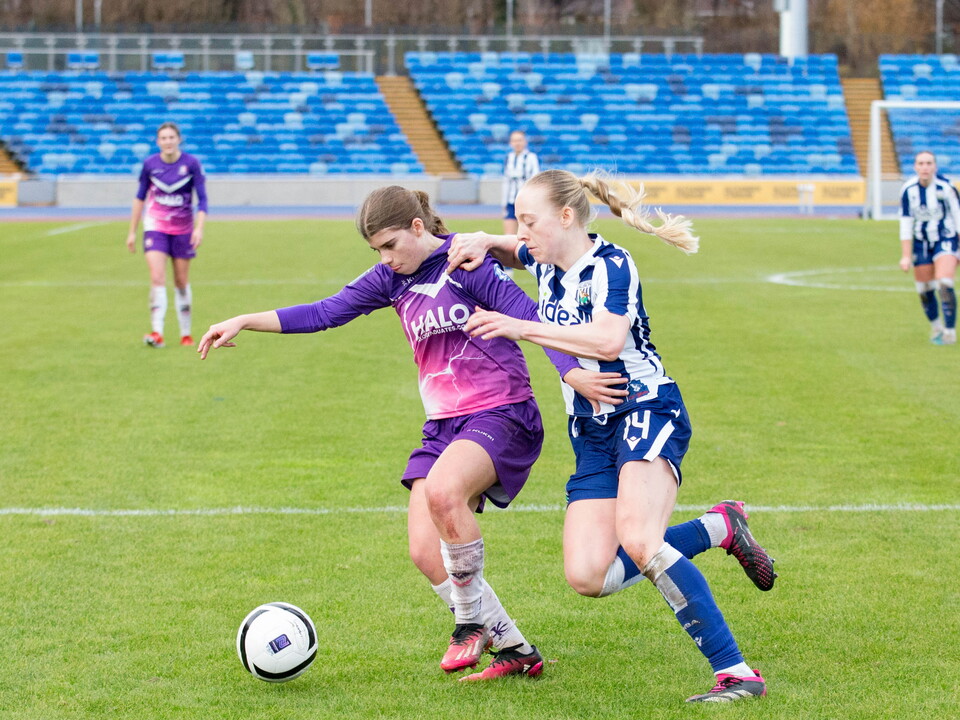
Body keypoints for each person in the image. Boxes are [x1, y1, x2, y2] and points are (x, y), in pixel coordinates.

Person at [198, 185, 612, 681]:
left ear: (418, 227)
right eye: (377, 250)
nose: (386, 258)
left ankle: (469, 624)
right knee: (424, 551)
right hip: (443, 426)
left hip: (503, 413)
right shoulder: (389, 279)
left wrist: (571, 372)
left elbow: (530, 318)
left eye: (391, 245)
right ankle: (515, 649)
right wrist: (245, 320)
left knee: (443, 493)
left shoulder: (466, 261)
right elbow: (324, 312)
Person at [448, 169, 774, 703]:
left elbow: (607, 340)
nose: (521, 231)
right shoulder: (544, 257)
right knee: (588, 575)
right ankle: (718, 527)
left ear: (566, 217)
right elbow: (514, 251)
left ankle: (737, 674)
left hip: (645, 408)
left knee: (640, 540)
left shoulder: (611, 264)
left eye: (529, 220)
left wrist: (519, 325)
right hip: (591, 430)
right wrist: (486, 240)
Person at [126, 121, 208, 348]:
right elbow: (139, 198)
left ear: (178, 139)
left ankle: (186, 334)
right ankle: (157, 332)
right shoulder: (150, 165)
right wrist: (132, 231)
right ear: (158, 141)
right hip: (156, 228)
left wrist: (199, 228)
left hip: (183, 230)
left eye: (171, 137)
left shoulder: (191, 164)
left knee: (181, 281)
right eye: (163, 138)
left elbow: (202, 199)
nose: (168, 141)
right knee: (157, 278)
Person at [898, 150, 960, 345]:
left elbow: (958, 217)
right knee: (924, 289)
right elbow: (906, 223)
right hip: (921, 242)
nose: (925, 167)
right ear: (915, 167)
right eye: (921, 163)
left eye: (929, 163)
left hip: (945, 238)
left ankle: (949, 331)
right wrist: (906, 255)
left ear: (935, 166)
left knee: (944, 282)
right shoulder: (908, 190)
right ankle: (936, 327)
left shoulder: (946, 188)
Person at [502, 130, 540, 236]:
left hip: (526, 202)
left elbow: (535, 180)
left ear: (525, 142)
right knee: (508, 235)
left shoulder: (531, 157)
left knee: (528, 234)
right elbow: (506, 181)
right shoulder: (509, 157)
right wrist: (504, 203)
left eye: (519, 140)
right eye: (514, 141)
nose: (517, 143)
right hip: (511, 201)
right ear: (511, 143)